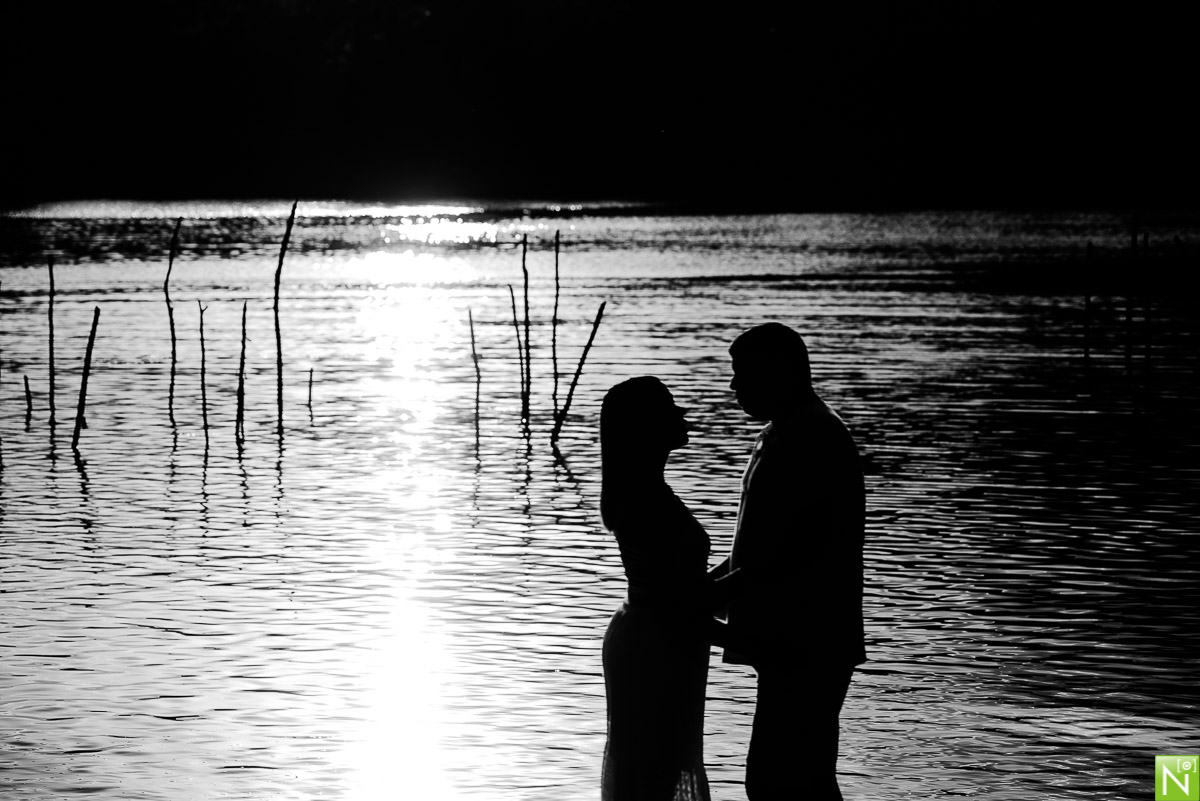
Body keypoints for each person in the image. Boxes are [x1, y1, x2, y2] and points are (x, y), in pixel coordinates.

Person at [710, 322, 866, 800]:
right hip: (791, 640)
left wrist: (698, 600)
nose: (733, 386)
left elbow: (786, 555)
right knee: (791, 778)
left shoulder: (811, 437)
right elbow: (756, 548)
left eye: (743, 374)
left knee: (784, 781)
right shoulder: (782, 433)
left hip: (808, 640)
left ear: (777, 372)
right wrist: (706, 588)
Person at [599, 376, 733, 801]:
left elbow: (686, 590)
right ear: (646, 426)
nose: (682, 413)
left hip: (658, 641)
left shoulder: (649, 491)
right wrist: (753, 642)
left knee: (660, 767)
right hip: (654, 648)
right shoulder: (644, 500)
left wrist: (746, 563)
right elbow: (677, 606)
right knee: (653, 771)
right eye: (669, 407)